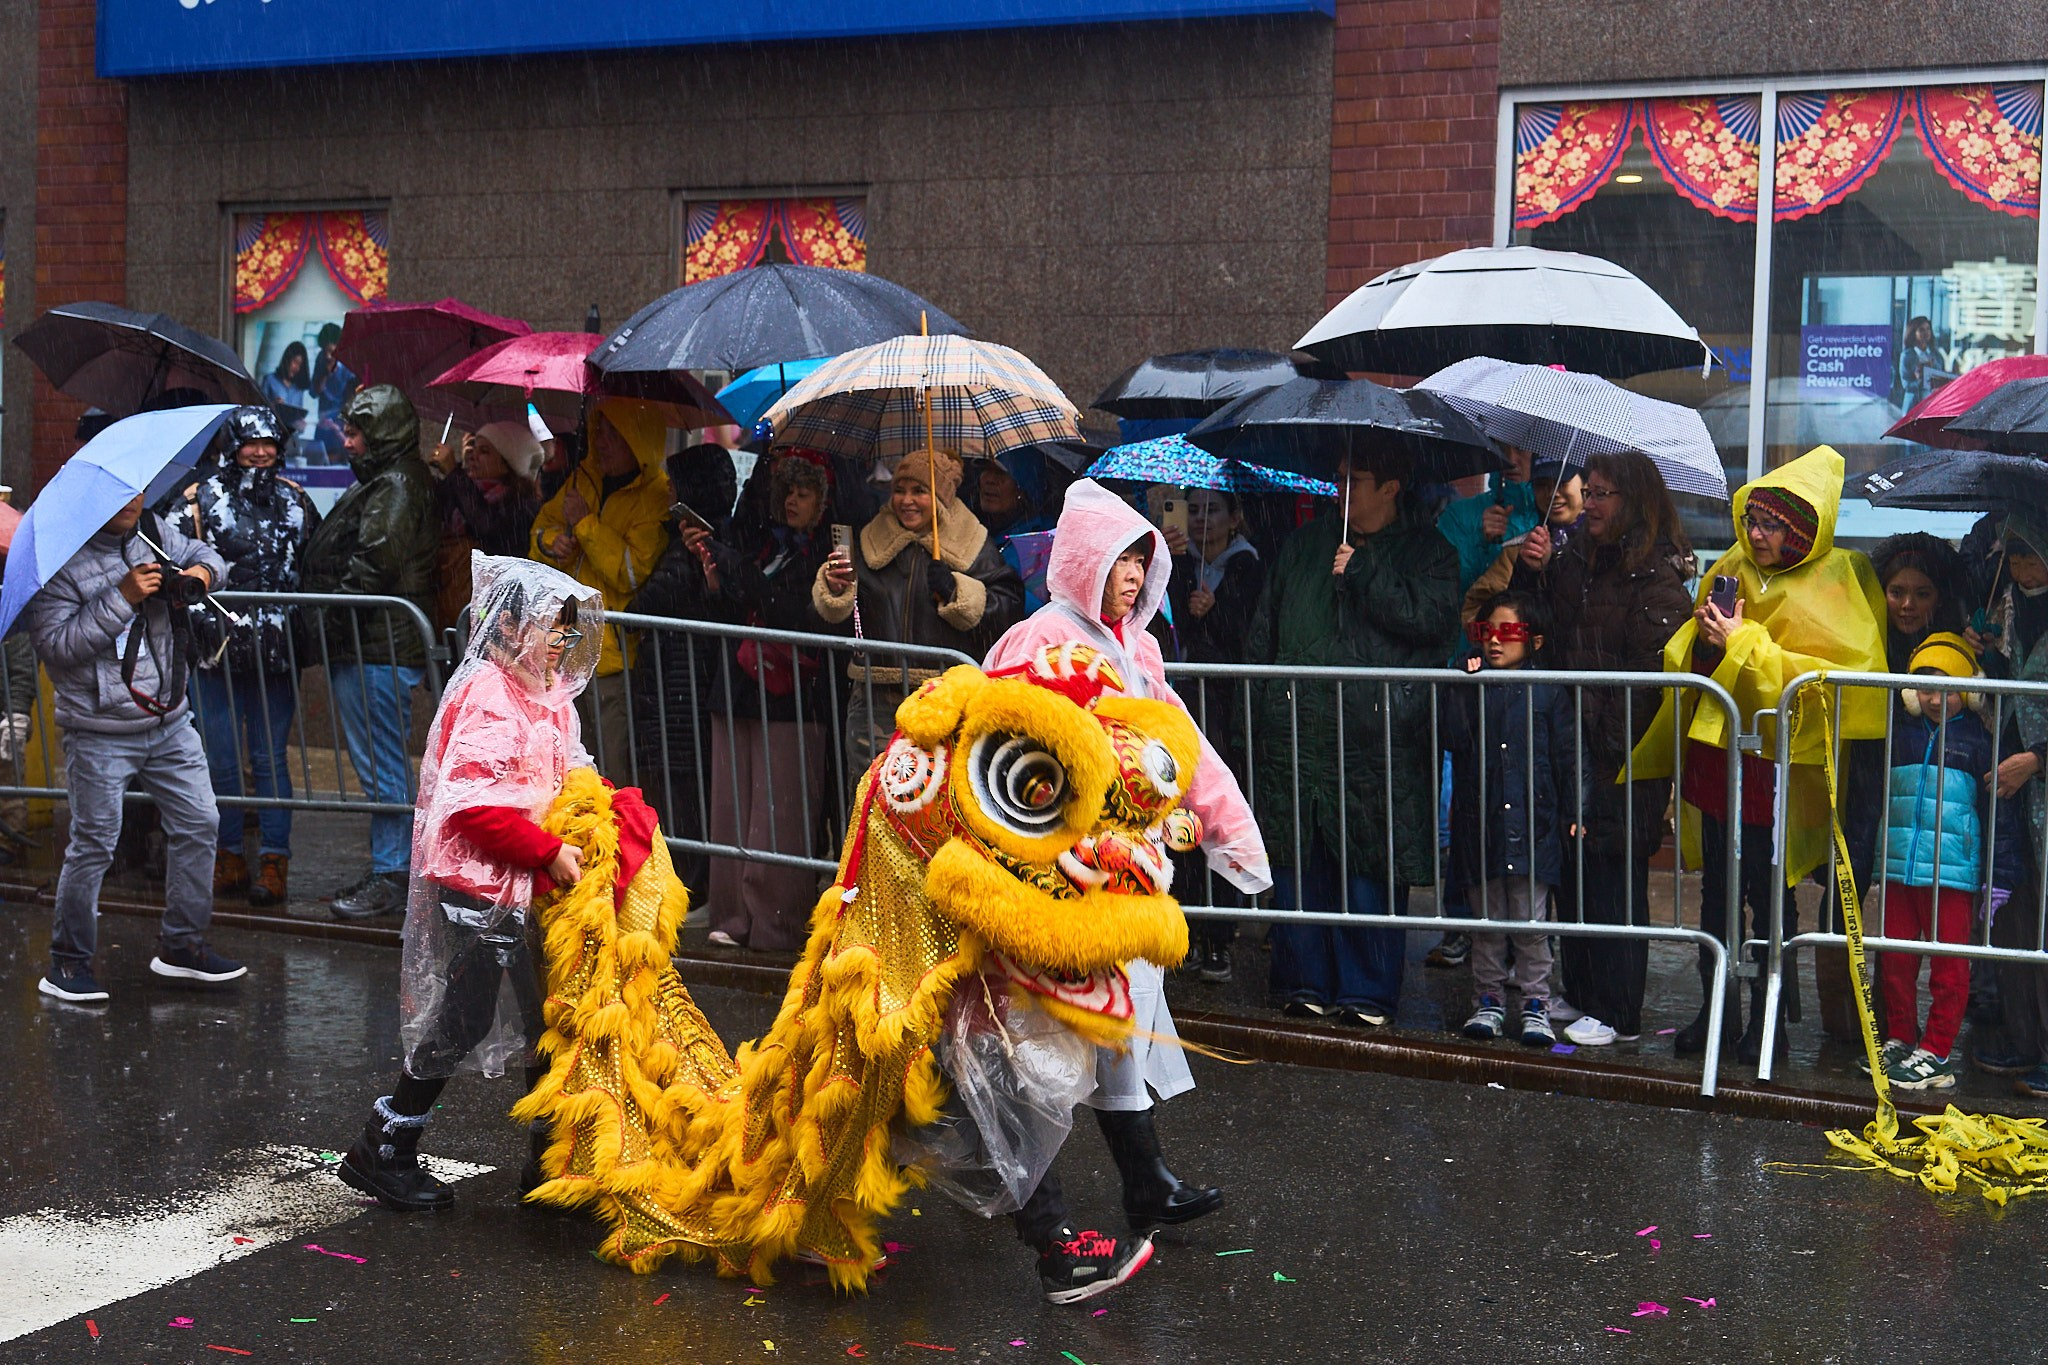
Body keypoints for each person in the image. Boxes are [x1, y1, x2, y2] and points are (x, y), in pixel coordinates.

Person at [984, 478, 1270, 1242]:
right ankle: (1042, 1210)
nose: (1135, 575)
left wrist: (1229, 829)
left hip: (1128, 871)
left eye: (1143, 560)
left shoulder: (1136, 646)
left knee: (1118, 1025)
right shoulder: (1038, 637)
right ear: (1084, 560)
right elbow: (999, 750)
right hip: (1059, 873)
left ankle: (1144, 1182)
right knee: (1043, 1044)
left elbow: (1179, 744)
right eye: (1120, 560)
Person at [338, 556, 603, 1211]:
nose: (561, 646)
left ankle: (545, 1158)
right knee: (471, 1014)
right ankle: (390, 1143)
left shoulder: (549, 697)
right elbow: (475, 805)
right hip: (482, 883)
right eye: (552, 629)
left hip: (524, 881)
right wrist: (546, 848)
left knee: (543, 1016)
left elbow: (572, 779)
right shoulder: (490, 692)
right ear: (509, 625)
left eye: (570, 634)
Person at [1630, 445, 1887, 1062]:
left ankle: (1768, 1019)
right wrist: (1708, 639)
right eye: (1753, 520)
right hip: (1721, 757)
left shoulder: (1840, 579)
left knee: (1770, 898)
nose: (1756, 533)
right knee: (1715, 891)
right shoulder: (1736, 566)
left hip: (1780, 766)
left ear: (1803, 527)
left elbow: (1849, 676)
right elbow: (1698, 648)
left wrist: (1747, 642)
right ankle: (1716, 1010)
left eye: (1772, 524)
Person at [1248, 448, 1461, 1026]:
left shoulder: (1429, 552)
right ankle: (1302, 979)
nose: (1340, 489)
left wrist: (1366, 574)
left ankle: (1367, 989)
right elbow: (1266, 632)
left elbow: (1434, 622)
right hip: (1300, 732)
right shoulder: (1303, 546)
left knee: (1370, 865)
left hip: (1379, 742)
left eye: (1355, 479)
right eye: (1337, 477)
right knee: (1299, 860)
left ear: (1391, 486)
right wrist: (1265, 708)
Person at [27, 489, 246, 1002]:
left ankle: (182, 946)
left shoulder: (152, 531)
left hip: (169, 717)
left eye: (137, 491)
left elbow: (207, 555)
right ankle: (68, 963)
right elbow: (57, 646)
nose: (131, 501)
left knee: (200, 822)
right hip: (98, 729)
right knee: (94, 844)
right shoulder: (61, 558)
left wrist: (198, 578)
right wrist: (120, 597)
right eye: (118, 495)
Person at [1510, 450, 1693, 1047]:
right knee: (1577, 877)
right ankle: (1582, 992)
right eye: (1589, 490)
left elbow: (1648, 683)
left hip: (1622, 761)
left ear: (1633, 503)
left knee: (1615, 883)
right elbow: (1542, 627)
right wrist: (1529, 572)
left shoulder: (1657, 582)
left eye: (1604, 493)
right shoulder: (1574, 561)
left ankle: (1618, 1010)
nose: (1590, 503)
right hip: (1574, 749)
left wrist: (1605, 749)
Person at [301, 385, 440, 921]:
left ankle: (393, 873)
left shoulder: (398, 485)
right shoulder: (393, 481)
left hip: (377, 647)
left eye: (357, 433)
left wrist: (322, 615)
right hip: (371, 645)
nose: (349, 443)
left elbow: (373, 566)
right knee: (381, 762)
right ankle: (390, 867)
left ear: (382, 435)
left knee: (382, 765)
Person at [1867, 634, 2024, 1091]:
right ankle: (1900, 1036)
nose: (1935, 699)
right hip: (1899, 870)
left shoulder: (1980, 743)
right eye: (1926, 689)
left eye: (1949, 689)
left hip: (1953, 877)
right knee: (1894, 961)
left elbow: (2002, 817)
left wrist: (2000, 877)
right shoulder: (1897, 733)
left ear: (1970, 694)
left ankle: (1935, 1051)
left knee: (1949, 969)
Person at [695, 452, 837, 952]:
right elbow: (739, 609)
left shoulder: (823, 556)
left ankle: (774, 921)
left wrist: (736, 567)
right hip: (740, 687)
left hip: (792, 695)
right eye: (787, 491)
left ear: (822, 501)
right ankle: (732, 915)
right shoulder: (765, 547)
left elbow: (790, 611)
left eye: (804, 491)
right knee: (734, 806)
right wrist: (717, 575)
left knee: (779, 812)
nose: (792, 500)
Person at [812, 448, 1025, 773]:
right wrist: (836, 588)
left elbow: (1007, 608)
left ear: (940, 496)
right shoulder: (870, 539)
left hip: (945, 698)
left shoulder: (973, 545)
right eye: (900, 490)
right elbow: (842, 613)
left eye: (919, 491)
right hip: (876, 699)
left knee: (932, 804)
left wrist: (957, 591)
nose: (906, 500)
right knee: (870, 796)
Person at [184, 405, 321, 908]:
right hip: (213, 649)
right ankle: (227, 856)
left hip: (275, 651)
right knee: (218, 756)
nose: (260, 452)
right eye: (251, 443)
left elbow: (314, 564)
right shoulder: (200, 500)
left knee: (268, 758)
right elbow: (178, 561)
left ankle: (273, 861)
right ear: (232, 445)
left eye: (270, 444)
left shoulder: (296, 501)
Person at [1450, 591, 1576, 1046]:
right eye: (1487, 632)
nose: (1495, 642)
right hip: (1480, 821)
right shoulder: (1472, 682)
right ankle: (1487, 999)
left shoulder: (1548, 689)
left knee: (1529, 923)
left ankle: (1535, 1003)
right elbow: (1452, 735)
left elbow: (1566, 753)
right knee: (1487, 923)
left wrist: (1575, 808)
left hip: (1534, 821)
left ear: (1535, 641)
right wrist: (1463, 686)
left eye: (1508, 632)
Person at [531, 398, 674, 783]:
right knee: (569, 770)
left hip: (613, 661)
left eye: (615, 433)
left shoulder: (655, 496)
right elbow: (539, 532)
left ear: (638, 440)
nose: (603, 441)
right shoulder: (585, 478)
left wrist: (585, 525)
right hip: (564, 652)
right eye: (600, 431)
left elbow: (630, 571)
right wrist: (550, 542)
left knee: (613, 771)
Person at [1161, 486, 1265, 982]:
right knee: (1179, 818)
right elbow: (1167, 625)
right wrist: (1175, 570)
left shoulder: (1248, 567)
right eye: (1194, 510)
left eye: (1213, 510)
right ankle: (1186, 928)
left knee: (1217, 817)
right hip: (1184, 707)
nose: (1202, 520)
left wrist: (1215, 611)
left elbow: (1245, 634)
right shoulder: (1182, 563)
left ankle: (1220, 935)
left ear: (1235, 516)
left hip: (1225, 711)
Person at [628, 443, 739, 899]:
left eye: (676, 488)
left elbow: (646, 604)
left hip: (683, 684)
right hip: (678, 681)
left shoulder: (701, 548)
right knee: (682, 782)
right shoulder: (694, 541)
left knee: (686, 785)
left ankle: (692, 882)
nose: (667, 495)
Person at [429, 421, 543, 631]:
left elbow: (486, 526)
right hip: (455, 609)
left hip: (496, 615)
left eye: (485, 451)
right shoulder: (464, 491)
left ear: (507, 461)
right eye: (472, 448)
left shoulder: (520, 504)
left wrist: (454, 472)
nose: (473, 456)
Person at [1463, 457, 1583, 621]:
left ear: (1586, 483)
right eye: (1541, 485)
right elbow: (1473, 612)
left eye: (1561, 482)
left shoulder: (1610, 545)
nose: (1552, 493)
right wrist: (1529, 571)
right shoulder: (1520, 549)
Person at [1435, 443, 1539, 595]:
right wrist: (1479, 542)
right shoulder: (1458, 514)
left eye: (1520, 448)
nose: (1510, 459)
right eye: (1502, 449)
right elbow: (1442, 589)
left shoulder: (1552, 514)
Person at [977, 453, 1062, 613]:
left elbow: (1036, 611)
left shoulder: (1042, 543)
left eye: (1001, 473)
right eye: (986, 469)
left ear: (1022, 487)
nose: (989, 480)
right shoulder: (968, 527)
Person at [309, 323, 356, 463]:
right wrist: (325, 373)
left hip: (341, 422)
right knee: (321, 458)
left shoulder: (347, 365)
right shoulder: (321, 360)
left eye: (332, 351)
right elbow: (314, 392)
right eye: (326, 351)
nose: (329, 355)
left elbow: (351, 395)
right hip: (324, 421)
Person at [260, 340, 312, 431]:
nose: (296, 368)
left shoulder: (298, 389)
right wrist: (273, 405)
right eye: (295, 362)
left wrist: (301, 425)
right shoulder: (269, 380)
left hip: (291, 437)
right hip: (271, 432)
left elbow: (298, 418)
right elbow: (258, 411)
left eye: (300, 365)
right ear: (287, 360)